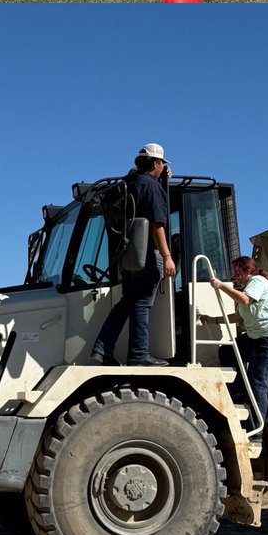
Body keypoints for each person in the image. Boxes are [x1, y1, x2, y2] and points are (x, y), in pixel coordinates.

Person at [91, 142, 177, 367]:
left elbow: (135, 179)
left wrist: (162, 178)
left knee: (126, 301)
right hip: (146, 254)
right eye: (161, 164)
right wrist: (167, 257)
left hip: (126, 256)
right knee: (141, 303)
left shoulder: (126, 184)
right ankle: (139, 353)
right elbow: (157, 225)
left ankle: (102, 347)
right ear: (157, 163)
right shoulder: (151, 187)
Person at [210, 256, 268, 427]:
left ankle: (256, 430)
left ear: (248, 270)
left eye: (238, 271)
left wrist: (221, 286)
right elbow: (240, 316)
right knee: (227, 351)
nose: (235, 275)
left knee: (258, 382)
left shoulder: (257, 282)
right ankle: (238, 389)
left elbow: (245, 300)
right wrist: (213, 320)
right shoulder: (247, 289)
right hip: (255, 338)